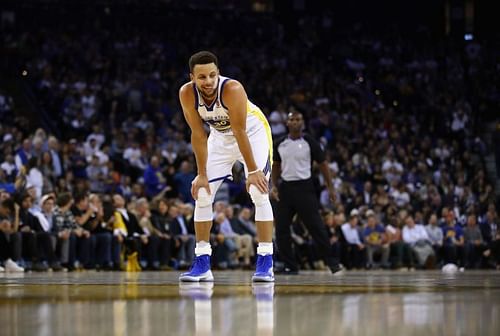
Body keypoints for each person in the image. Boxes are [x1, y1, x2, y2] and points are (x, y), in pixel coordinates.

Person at [178, 51, 274, 282]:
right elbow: (198, 134)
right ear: (192, 77)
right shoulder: (186, 93)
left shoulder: (233, 89)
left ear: (218, 73)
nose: (208, 81)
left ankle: (265, 261)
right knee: (202, 193)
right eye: (202, 77)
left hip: (252, 133)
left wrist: (252, 171)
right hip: (220, 138)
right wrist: (201, 174)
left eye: (212, 75)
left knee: (258, 191)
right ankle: (202, 262)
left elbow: (239, 131)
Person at [271, 111, 343, 274]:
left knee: (316, 227)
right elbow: (275, 165)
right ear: (287, 123)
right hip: (286, 188)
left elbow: (323, 164)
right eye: (292, 119)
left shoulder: (310, 141)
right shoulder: (279, 143)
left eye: (298, 119)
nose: (295, 122)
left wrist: (330, 187)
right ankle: (290, 265)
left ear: (302, 123)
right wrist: (274, 185)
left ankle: (332, 262)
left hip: (305, 188)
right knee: (281, 228)